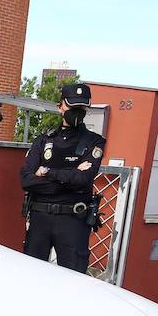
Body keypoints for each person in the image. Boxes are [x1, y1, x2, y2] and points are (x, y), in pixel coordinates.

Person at [18, 82, 106, 274]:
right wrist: (70, 176)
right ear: (61, 107)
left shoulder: (94, 141)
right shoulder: (44, 140)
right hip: (40, 218)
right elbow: (26, 180)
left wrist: (48, 172)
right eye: (72, 107)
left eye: (81, 108)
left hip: (73, 220)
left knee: (74, 281)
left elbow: (84, 179)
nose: (77, 112)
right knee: (30, 276)